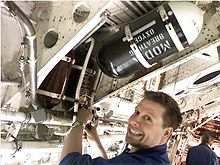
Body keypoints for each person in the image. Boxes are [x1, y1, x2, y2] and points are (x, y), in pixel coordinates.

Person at [59, 90, 183, 165]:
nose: (133, 120)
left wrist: (80, 122)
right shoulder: (153, 156)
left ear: (166, 133)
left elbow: (67, 163)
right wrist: (95, 140)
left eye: (147, 118)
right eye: (137, 112)